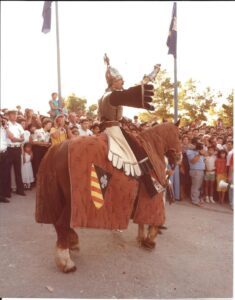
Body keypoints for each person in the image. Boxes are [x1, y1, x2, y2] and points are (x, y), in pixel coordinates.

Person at [6, 109, 25, 196]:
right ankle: (7, 191)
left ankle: (20, 190)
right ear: (9, 115)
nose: (14, 116)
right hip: (9, 149)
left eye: (16, 114)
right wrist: (19, 139)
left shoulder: (19, 126)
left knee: (18, 170)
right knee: (7, 171)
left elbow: (23, 137)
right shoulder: (6, 125)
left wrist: (19, 139)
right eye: (12, 114)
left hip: (17, 149)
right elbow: (12, 139)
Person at [186, 140, 206, 207]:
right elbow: (193, 161)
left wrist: (201, 152)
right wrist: (199, 154)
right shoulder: (189, 151)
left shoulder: (199, 150)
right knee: (196, 186)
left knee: (199, 187)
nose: (199, 145)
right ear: (193, 144)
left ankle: (197, 199)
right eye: (197, 144)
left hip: (201, 171)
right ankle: (195, 201)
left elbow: (205, 157)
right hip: (195, 171)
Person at [0, 114, 11, 202]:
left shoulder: (4, 129)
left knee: (4, 175)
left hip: (4, 153)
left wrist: (6, 126)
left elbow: (11, 136)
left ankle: (2, 195)